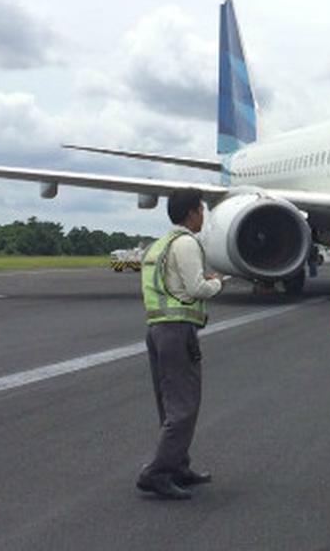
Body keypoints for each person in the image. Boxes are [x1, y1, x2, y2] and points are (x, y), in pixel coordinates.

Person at [136, 188, 224, 501]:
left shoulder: (160, 244)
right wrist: (218, 282)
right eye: (201, 209)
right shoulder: (186, 242)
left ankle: (178, 466)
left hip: (157, 329)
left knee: (170, 405)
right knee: (185, 406)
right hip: (177, 331)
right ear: (190, 213)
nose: (203, 215)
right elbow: (197, 288)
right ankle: (157, 473)